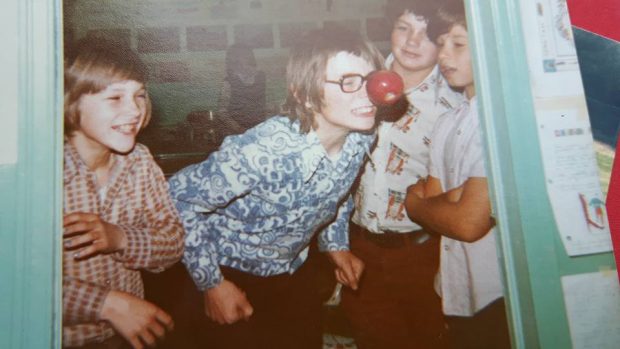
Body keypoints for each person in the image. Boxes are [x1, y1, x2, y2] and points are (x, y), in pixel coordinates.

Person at [168, 27, 384, 349]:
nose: (367, 94)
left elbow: (337, 195)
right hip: (227, 272)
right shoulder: (264, 150)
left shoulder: (361, 138)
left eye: (370, 80)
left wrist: (336, 246)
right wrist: (211, 283)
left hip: (294, 272)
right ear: (304, 94)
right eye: (348, 82)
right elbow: (177, 198)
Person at [340, 1, 464, 348]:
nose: (411, 41)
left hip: (421, 252)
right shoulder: (358, 81)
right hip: (359, 247)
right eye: (404, 27)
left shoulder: (453, 102)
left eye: (426, 34)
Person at [62, 39, 184, 349]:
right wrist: (106, 304)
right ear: (69, 102)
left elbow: (173, 241)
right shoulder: (41, 175)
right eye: (115, 97)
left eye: (139, 95)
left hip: (126, 339)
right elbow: (12, 281)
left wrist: (121, 238)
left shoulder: (139, 161)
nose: (134, 109)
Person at [404, 1, 510, 348]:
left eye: (459, 44)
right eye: (441, 42)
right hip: (456, 287)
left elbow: (467, 223)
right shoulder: (448, 121)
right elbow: (443, 205)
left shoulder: (501, 117)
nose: (444, 55)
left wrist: (414, 205)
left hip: (501, 293)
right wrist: (453, 201)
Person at [217, 43, 267, 132]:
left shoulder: (261, 76)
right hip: (236, 131)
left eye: (246, 55)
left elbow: (268, 105)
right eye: (238, 56)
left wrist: (266, 126)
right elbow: (222, 113)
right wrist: (239, 129)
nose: (243, 59)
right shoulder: (229, 82)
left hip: (260, 128)